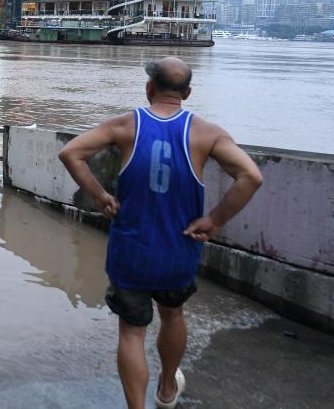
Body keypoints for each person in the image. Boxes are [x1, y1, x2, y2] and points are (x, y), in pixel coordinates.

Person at [58, 57, 263, 409]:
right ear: (187, 93)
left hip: (131, 252)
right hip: (179, 250)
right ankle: (167, 391)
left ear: (149, 87)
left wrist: (100, 195)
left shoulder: (126, 125)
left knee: (131, 332)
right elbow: (251, 176)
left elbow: (70, 152)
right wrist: (214, 220)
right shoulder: (206, 132)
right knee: (173, 314)